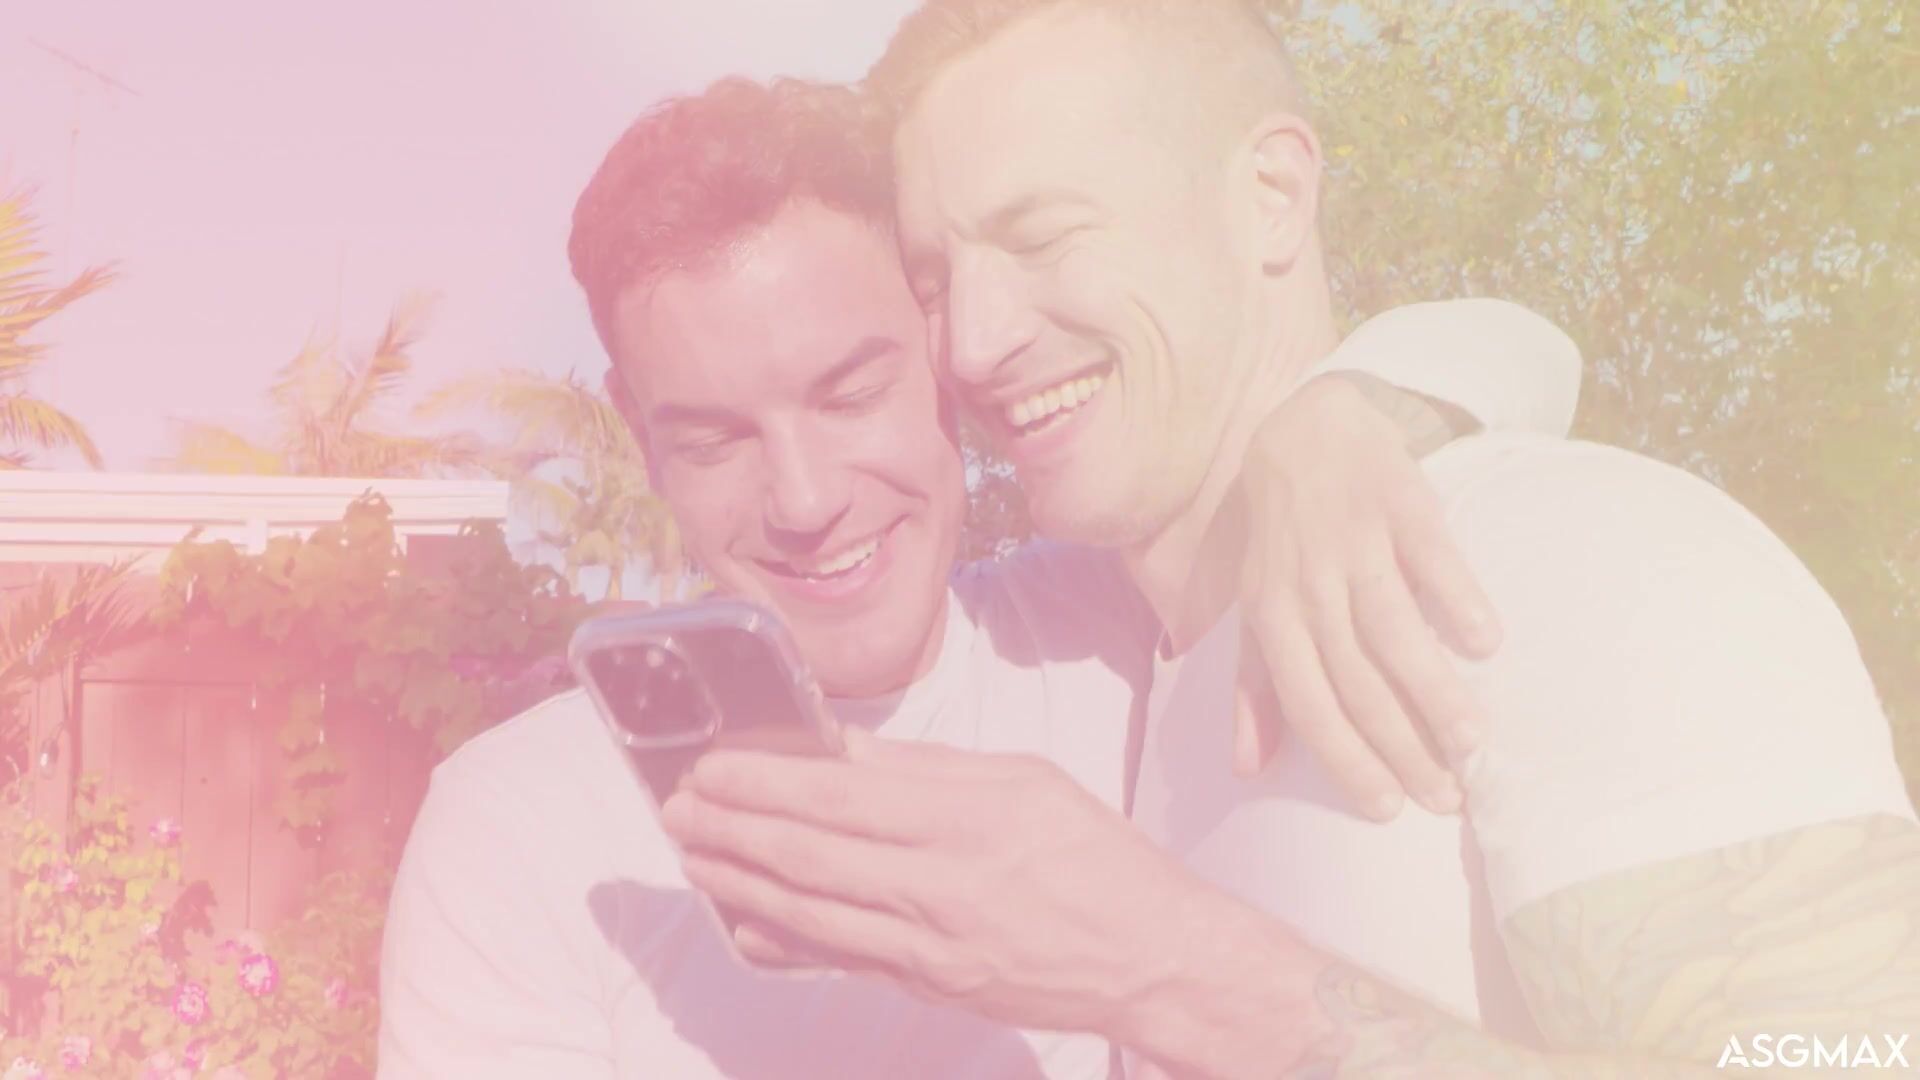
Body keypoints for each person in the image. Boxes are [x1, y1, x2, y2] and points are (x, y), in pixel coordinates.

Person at [661, 2, 1920, 1076]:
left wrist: (1166, 969)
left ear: (1271, 198)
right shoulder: (1132, 656)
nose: (975, 343)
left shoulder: (1570, 558)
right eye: (935, 281)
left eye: (1044, 238)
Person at [376, 76, 1581, 1078]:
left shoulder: (1111, 622)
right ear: (642, 442)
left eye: (851, 394)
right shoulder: (524, 826)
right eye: (713, 440)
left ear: (944, 354)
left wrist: (1337, 420)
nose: (804, 499)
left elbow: (1528, 347)